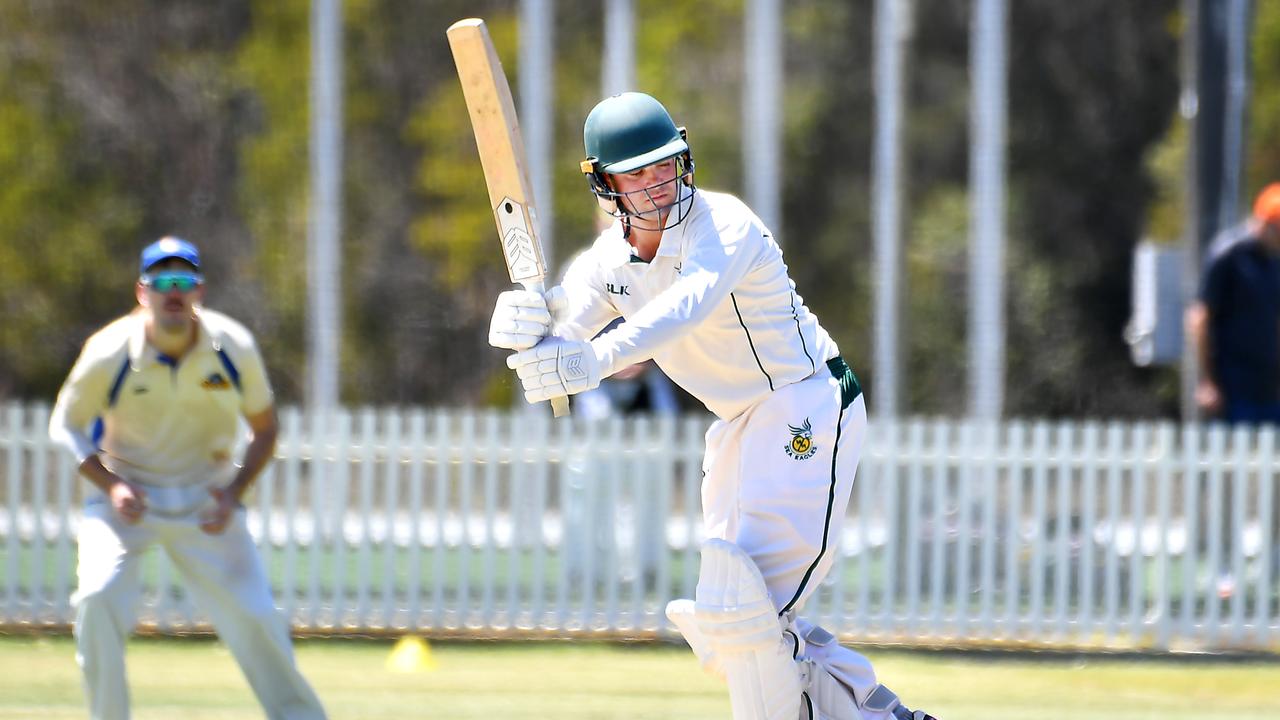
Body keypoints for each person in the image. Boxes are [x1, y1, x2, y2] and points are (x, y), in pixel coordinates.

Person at [488, 92, 936, 720]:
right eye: (636, 173)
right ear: (605, 186)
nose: (657, 183)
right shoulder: (605, 263)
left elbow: (684, 306)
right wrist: (529, 326)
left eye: (664, 164)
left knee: (750, 609)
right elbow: (565, 335)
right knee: (735, 617)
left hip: (803, 401)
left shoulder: (724, 224)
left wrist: (591, 361)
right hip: (736, 427)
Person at [48, 237, 327, 720]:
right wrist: (110, 485)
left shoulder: (232, 346)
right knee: (96, 598)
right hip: (125, 501)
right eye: (161, 281)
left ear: (199, 290)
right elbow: (65, 425)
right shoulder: (110, 350)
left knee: (258, 618)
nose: (172, 292)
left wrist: (233, 494)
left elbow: (265, 429)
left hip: (207, 502)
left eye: (183, 281)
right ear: (142, 292)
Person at [1187, 182, 1280, 424]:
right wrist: (1207, 381)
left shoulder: (1274, 262)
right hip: (1232, 385)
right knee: (1234, 457)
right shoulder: (1228, 254)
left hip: (1269, 385)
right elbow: (1199, 319)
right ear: (1264, 222)